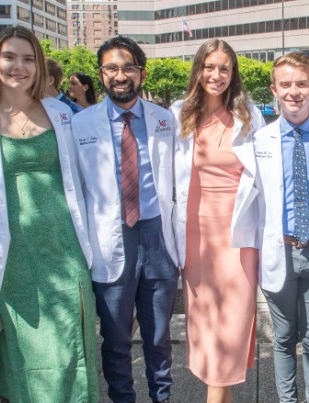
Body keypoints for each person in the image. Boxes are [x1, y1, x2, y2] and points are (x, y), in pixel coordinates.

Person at [0, 26, 100, 402]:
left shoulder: (61, 113)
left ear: (38, 66)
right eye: (9, 57)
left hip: (65, 245)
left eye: (28, 59)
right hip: (13, 252)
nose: (18, 66)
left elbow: (86, 176)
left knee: (71, 342)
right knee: (25, 349)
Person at [71, 36, 178, 403]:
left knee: (158, 336)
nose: (120, 75)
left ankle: (162, 397)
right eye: (112, 68)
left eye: (128, 67)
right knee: (115, 338)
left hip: (157, 238)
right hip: (111, 236)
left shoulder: (165, 120)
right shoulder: (80, 125)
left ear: (142, 73)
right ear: (101, 74)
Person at [241, 51, 309, 403]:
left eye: (301, 83)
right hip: (280, 251)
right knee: (284, 338)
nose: (294, 91)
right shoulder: (259, 143)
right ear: (274, 89)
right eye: (285, 84)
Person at [167, 39, 266, 403]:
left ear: (233, 73)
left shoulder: (249, 116)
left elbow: (265, 174)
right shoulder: (180, 114)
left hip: (239, 233)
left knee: (233, 318)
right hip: (197, 235)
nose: (216, 75)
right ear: (198, 69)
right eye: (210, 67)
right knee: (206, 321)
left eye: (224, 68)